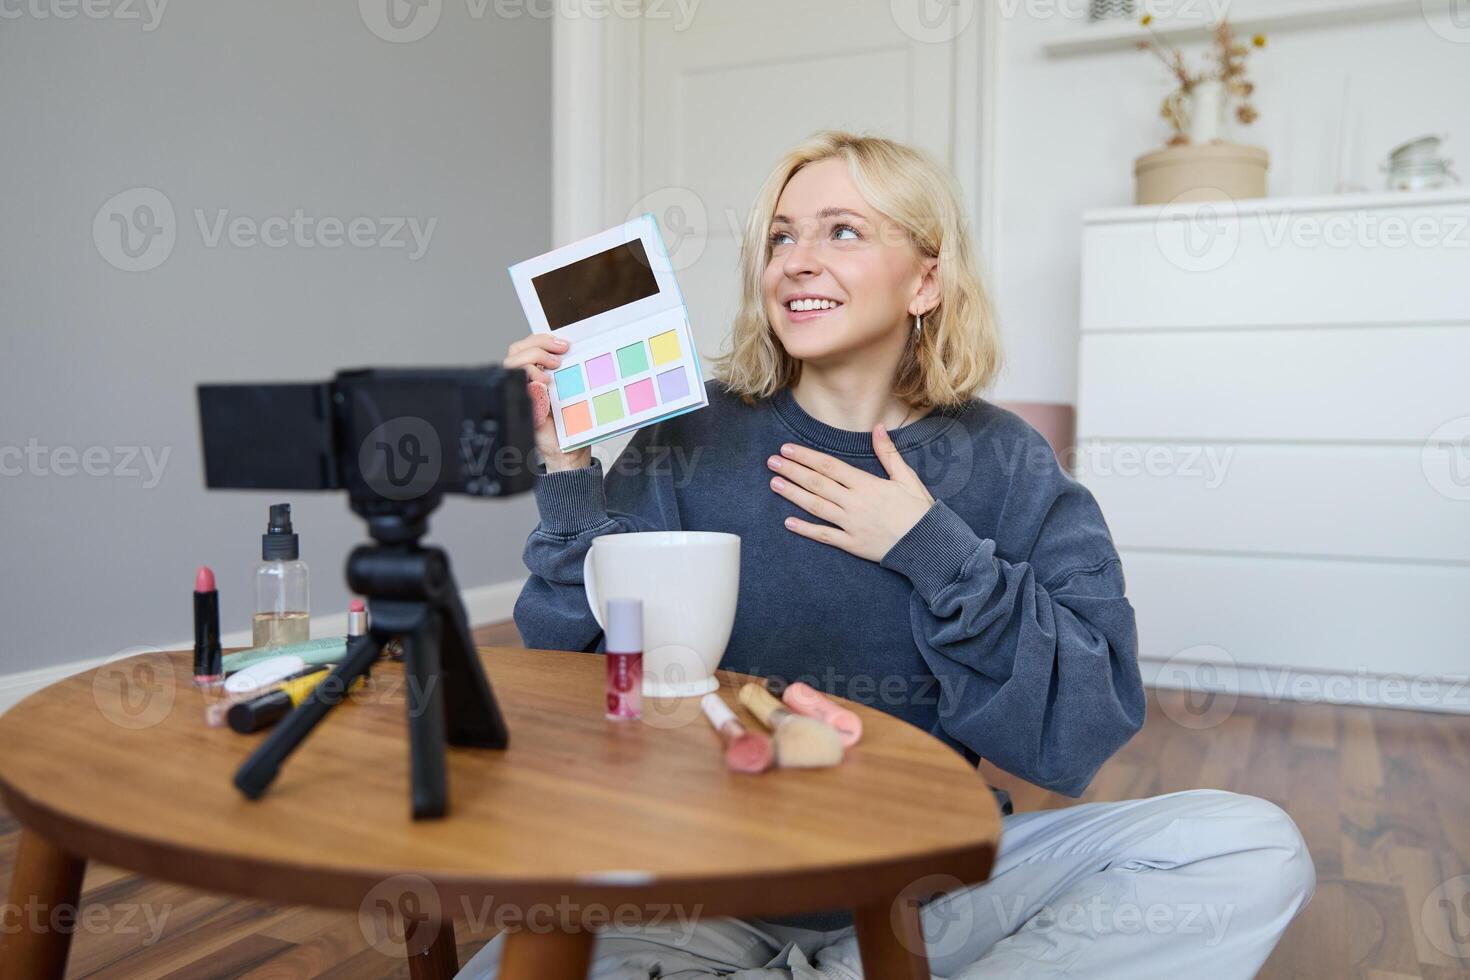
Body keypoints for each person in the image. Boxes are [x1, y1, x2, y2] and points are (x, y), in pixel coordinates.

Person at [461, 131, 1314, 979]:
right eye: (780, 237)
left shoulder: (1011, 462)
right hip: (708, 888)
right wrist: (566, 466)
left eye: (841, 231)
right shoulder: (691, 433)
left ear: (927, 280)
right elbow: (582, 674)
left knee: (1246, 849)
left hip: (929, 887)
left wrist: (932, 548)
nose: (796, 260)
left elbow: (1084, 720)